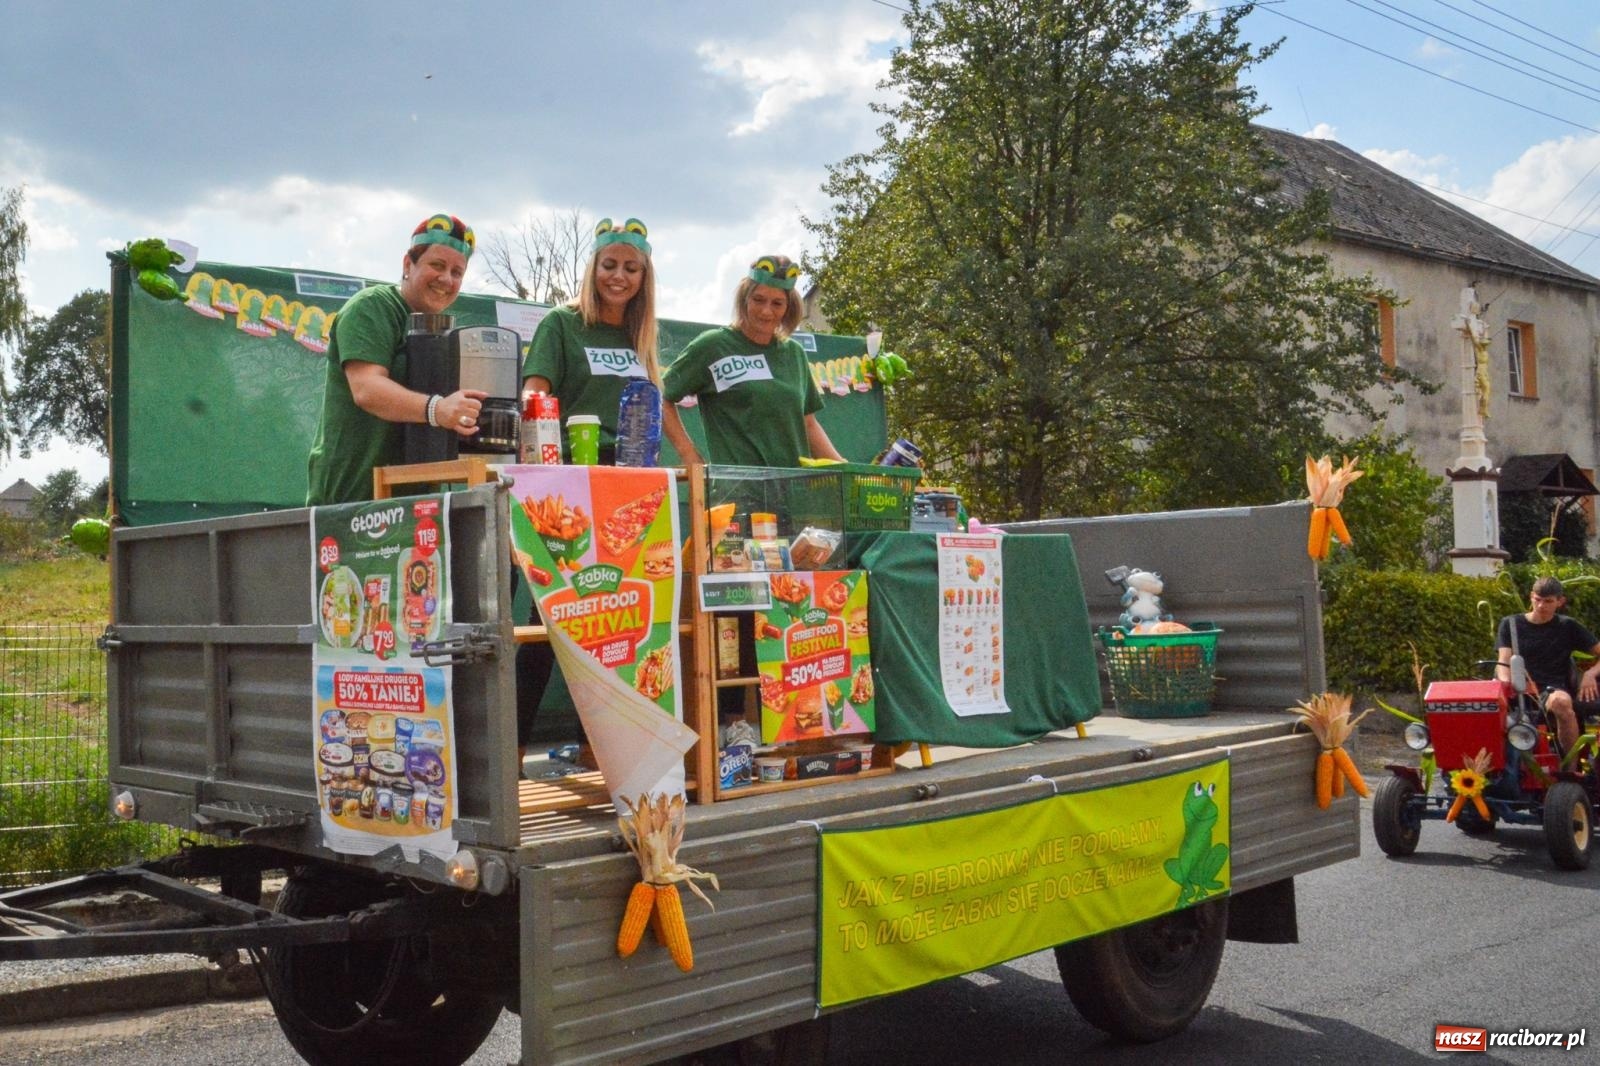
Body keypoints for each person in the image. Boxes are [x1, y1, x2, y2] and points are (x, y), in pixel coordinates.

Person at [307, 214, 487, 505]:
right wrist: (438, 409)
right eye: (437, 266)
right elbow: (366, 389)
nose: (446, 279)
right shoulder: (372, 306)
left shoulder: (445, 331)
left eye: (457, 272)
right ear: (408, 265)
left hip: (419, 503)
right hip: (353, 498)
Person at [521, 217, 697, 466]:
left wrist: (689, 455)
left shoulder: (641, 333)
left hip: (635, 468)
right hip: (573, 464)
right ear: (594, 269)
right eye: (609, 265)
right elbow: (534, 395)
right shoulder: (561, 322)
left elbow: (659, 400)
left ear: (643, 277)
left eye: (631, 269)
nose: (618, 276)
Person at [662, 253, 845, 468]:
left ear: (788, 308)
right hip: (739, 491)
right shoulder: (714, 346)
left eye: (777, 303)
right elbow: (661, 396)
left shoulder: (794, 353)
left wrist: (843, 468)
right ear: (745, 299)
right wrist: (688, 454)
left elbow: (808, 424)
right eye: (758, 299)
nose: (766, 311)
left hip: (795, 490)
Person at [1495, 576, 1600, 754]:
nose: (1541, 605)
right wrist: (1506, 685)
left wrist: (1590, 673)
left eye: (1548, 601)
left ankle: (1569, 771)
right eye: (1538, 600)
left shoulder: (1568, 626)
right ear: (1531, 597)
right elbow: (1504, 661)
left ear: (1560, 602)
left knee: (1561, 703)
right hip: (1517, 688)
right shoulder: (1510, 624)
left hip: (1552, 688)